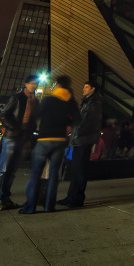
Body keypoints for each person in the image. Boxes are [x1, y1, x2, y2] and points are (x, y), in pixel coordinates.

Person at [20, 76, 79, 214]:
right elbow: (78, 118)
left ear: (57, 85)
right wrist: (67, 124)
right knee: (53, 175)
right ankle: (49, 207)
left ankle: (30, 207)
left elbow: (37, 115)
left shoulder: (48, 99)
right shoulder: (70, 101)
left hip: (44, 139)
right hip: (60, 140)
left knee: (36, 174)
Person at [0, 75, 39, 211]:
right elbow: (3, 115)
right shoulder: (17, 97)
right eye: (32, 83)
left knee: (12, 171)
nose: (34, 85)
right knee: (3, 169)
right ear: (26, 84)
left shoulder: (35, 101)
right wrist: (14, 127)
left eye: (36, 83)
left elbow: (34, 120)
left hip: (23, 138)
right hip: (11, 137)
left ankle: (5, 199)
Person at [58, 79, 102, 208]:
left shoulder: (94, 103)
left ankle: (77, 198)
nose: (83, 89)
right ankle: (71, 196)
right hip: (79, 140)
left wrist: (76, 133)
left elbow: (88, 123)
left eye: (86, 87)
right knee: (76, 169)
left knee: (80, 169)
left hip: (83, 140)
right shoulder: (88, 101)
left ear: (93, 89)